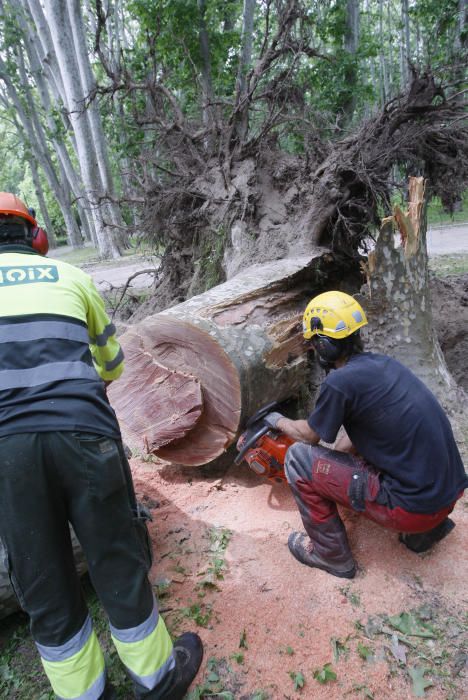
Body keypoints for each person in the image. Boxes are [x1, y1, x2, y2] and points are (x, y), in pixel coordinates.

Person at [0, 193, 203, 699]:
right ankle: (157, 680)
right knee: (116, 557)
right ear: (36, 237)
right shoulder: (71, 278)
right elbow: (112, 364)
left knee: (43, 582)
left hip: (7, 452)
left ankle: (86, 695)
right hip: (85, 436)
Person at [264, 290, 467, 579]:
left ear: (323, 345)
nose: (312, 348)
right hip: (446, 497)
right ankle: (426, 534)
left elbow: (309, 436)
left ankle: (330, 555)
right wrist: (334, 466)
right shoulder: (383, 366)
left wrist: (279, 420)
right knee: (387, 455)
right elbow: (366, 434)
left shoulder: (339, 382)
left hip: (412, 510)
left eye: (314, 342)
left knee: (298, 458)